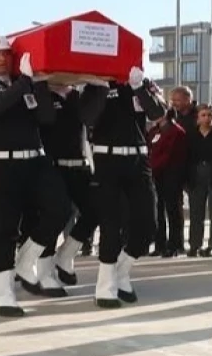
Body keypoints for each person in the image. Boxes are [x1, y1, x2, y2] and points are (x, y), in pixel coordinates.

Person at [0, 35, 69, 317]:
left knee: (60, 210)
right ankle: (2, 294)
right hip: (2, 165)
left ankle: (27, 260)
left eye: (6, 54)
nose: (2, 59)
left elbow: (47, 118)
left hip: (36, 160)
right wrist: (24, 83)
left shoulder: (23, 83)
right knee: (5, 228)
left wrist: (38, 85)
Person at [80, 68, 167, 307]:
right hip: (107, 159)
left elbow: (159, 113)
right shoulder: (94, 85)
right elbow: (88, 117)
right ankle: (104, 287)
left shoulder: (141, 84)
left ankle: (121, 272)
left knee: (148, 224)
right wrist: (103, 87)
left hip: (138, 160)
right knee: (111, 223)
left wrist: (139, 87)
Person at [24, 81, 96, 294]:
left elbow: (89, 119)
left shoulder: (77, 95)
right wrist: (41, 86)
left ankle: (65, 255)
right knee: (53, 215)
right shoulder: (38, 91)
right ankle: (44, 272)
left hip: (79, 164)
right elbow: (46, 118)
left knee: (95, 210)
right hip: (51, 165)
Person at [185, 104, 212, 256]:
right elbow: (186, 157)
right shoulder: (191, 135)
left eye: (209, 115)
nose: (207, 118)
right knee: (196, 212)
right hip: (196, 175)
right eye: (203, 115)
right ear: (198, 117)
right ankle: (195, 244)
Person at [147, 109, 187, 257]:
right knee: (158, 210)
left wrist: (152, 165)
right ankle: (160, 244)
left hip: (172, 174)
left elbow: (169, 154)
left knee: (173, 210)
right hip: (156, 174)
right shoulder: (154, 131)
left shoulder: (176, 131)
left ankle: (175, 244)